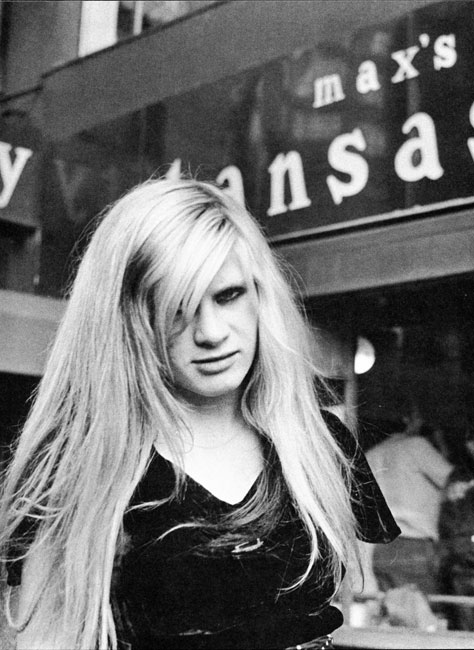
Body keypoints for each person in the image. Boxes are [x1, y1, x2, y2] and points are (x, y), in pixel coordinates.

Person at [0, 178, 399, 650]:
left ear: (260, 295)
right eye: (177, 308)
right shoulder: (76, 463)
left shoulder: (320, 443)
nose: (210, 332)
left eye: (228, 295)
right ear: (128, 319)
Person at [366, 407, 452, 596]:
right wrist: (441, 443)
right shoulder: (416, 446)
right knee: (424, 610)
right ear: (409, 421)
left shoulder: (373, 454)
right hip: (414, 544)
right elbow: (452, 482)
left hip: (381, 549)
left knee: (395, 608)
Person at [439, 426, 474, 630]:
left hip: (462, 559)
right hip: (463, 564)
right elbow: (449, 521)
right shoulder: (459, 476)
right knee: (465, 627)